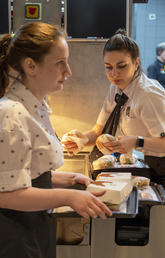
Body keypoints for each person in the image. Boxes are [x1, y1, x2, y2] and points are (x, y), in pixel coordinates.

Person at [0, 22, 112, 258]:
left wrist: (70, 180)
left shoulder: (37, 106)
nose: (68, 71)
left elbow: (28, 173)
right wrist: (69, 196)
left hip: (37, 224)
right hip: (14, 233)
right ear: (31, 65)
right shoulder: (11, 113)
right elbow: (7, 193)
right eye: (60, 63)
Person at [63, 29, 165, 187]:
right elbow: (98, 131)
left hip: (159, 168)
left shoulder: (148, 94)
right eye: (108, 67)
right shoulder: (115, 89)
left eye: (122, 66)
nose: (114, 74)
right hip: (139, 165)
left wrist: (137, 141)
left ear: (136, 63)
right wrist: (81, 140)